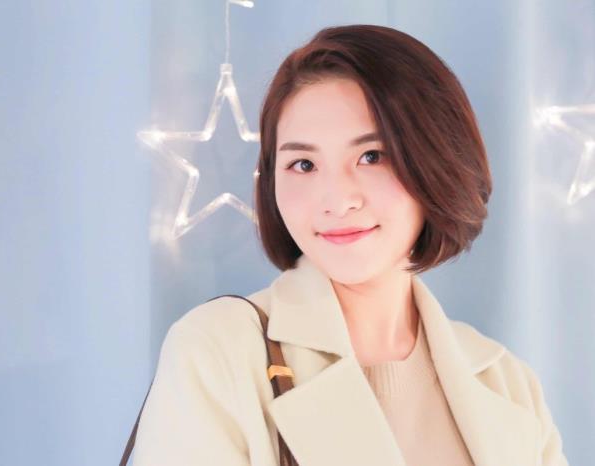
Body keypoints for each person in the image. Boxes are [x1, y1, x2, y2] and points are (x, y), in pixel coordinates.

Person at [131, 24, 569, 466]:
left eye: (371, 157)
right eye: (303, 164)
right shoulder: (219, 349)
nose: (337, 200)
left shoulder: (507, 382)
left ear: (436, 161)